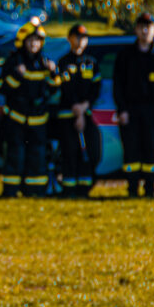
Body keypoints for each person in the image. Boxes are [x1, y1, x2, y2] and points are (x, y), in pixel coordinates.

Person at [113, 13, 154, 198]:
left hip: (151, 111)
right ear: (136, 30)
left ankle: (149, 189)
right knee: (130, 151)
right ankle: (132, 190)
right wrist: (122, 109)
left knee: (150, 152)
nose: (145, 31)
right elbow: (118, 86)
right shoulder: (125, 56)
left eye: (149, 27)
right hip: (130, 110)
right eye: (141, 27)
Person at [0, 21, 59, 197]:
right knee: (15, 156)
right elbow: (3, 88)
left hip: (38, 119)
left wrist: (54, 74)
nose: (34, 44)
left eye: (37, 41)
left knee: (37, 156)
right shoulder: (14, 61)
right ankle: (10, 191)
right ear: (23, 42)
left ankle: (34, 191)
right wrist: (17, 75)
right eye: (31, 40)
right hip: (17, 118)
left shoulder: (45, 62)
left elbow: (54, 89)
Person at [56, 24, 102, 197]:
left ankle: (84, 189)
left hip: (86, 114)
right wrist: (76, 107)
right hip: (68, 114)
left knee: (89, 151)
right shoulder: (64, 62)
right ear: (69, 39)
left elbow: (95, 88)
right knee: (71, 151)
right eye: (77, 37)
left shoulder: (91, 63)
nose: (80, 41)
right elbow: (66, 88)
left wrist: (84, 107)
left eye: (83, 38)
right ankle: (69, 189)